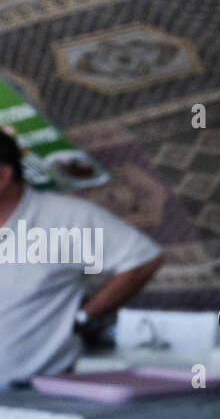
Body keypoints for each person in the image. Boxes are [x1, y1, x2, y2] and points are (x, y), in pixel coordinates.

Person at [0, 129, 164, 386]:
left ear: (3, 176)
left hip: (37, 392)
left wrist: (84, 317)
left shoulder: (64, 218)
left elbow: (142, 259)